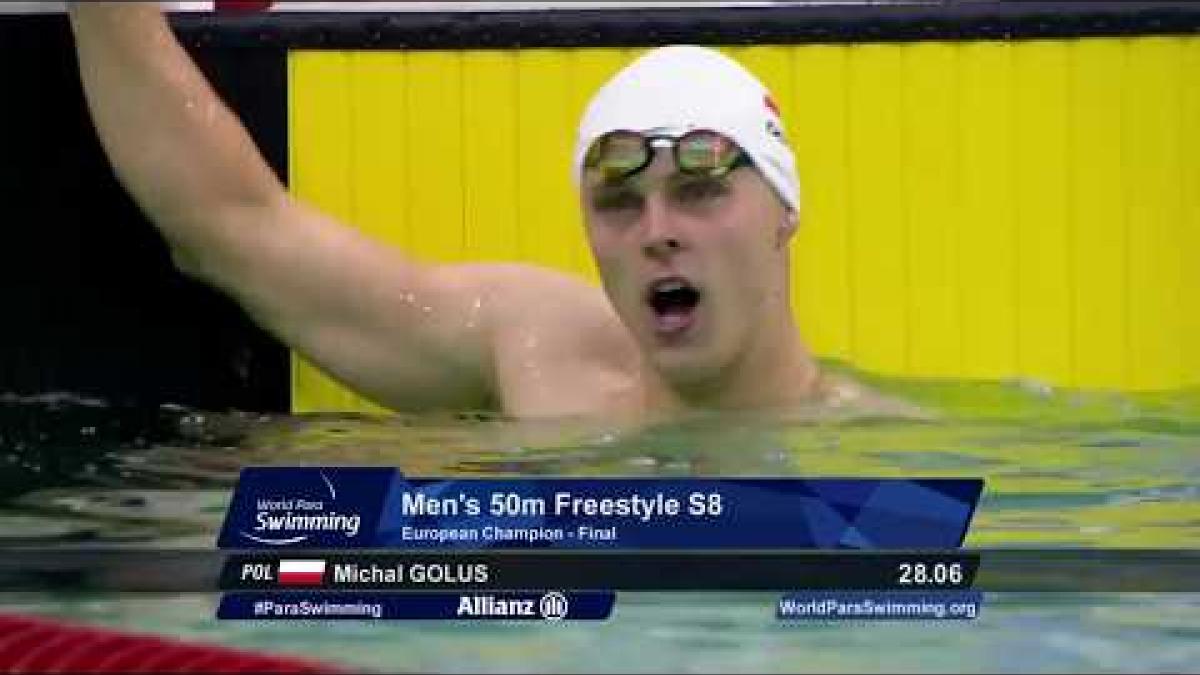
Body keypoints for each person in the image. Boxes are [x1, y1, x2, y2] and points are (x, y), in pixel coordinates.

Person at [68, 2, 913, 422]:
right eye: (618, 201)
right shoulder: (536, 352)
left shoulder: (882, 462)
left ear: (785, 210)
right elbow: (234, 228)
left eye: (700, 191)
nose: (657, 228)